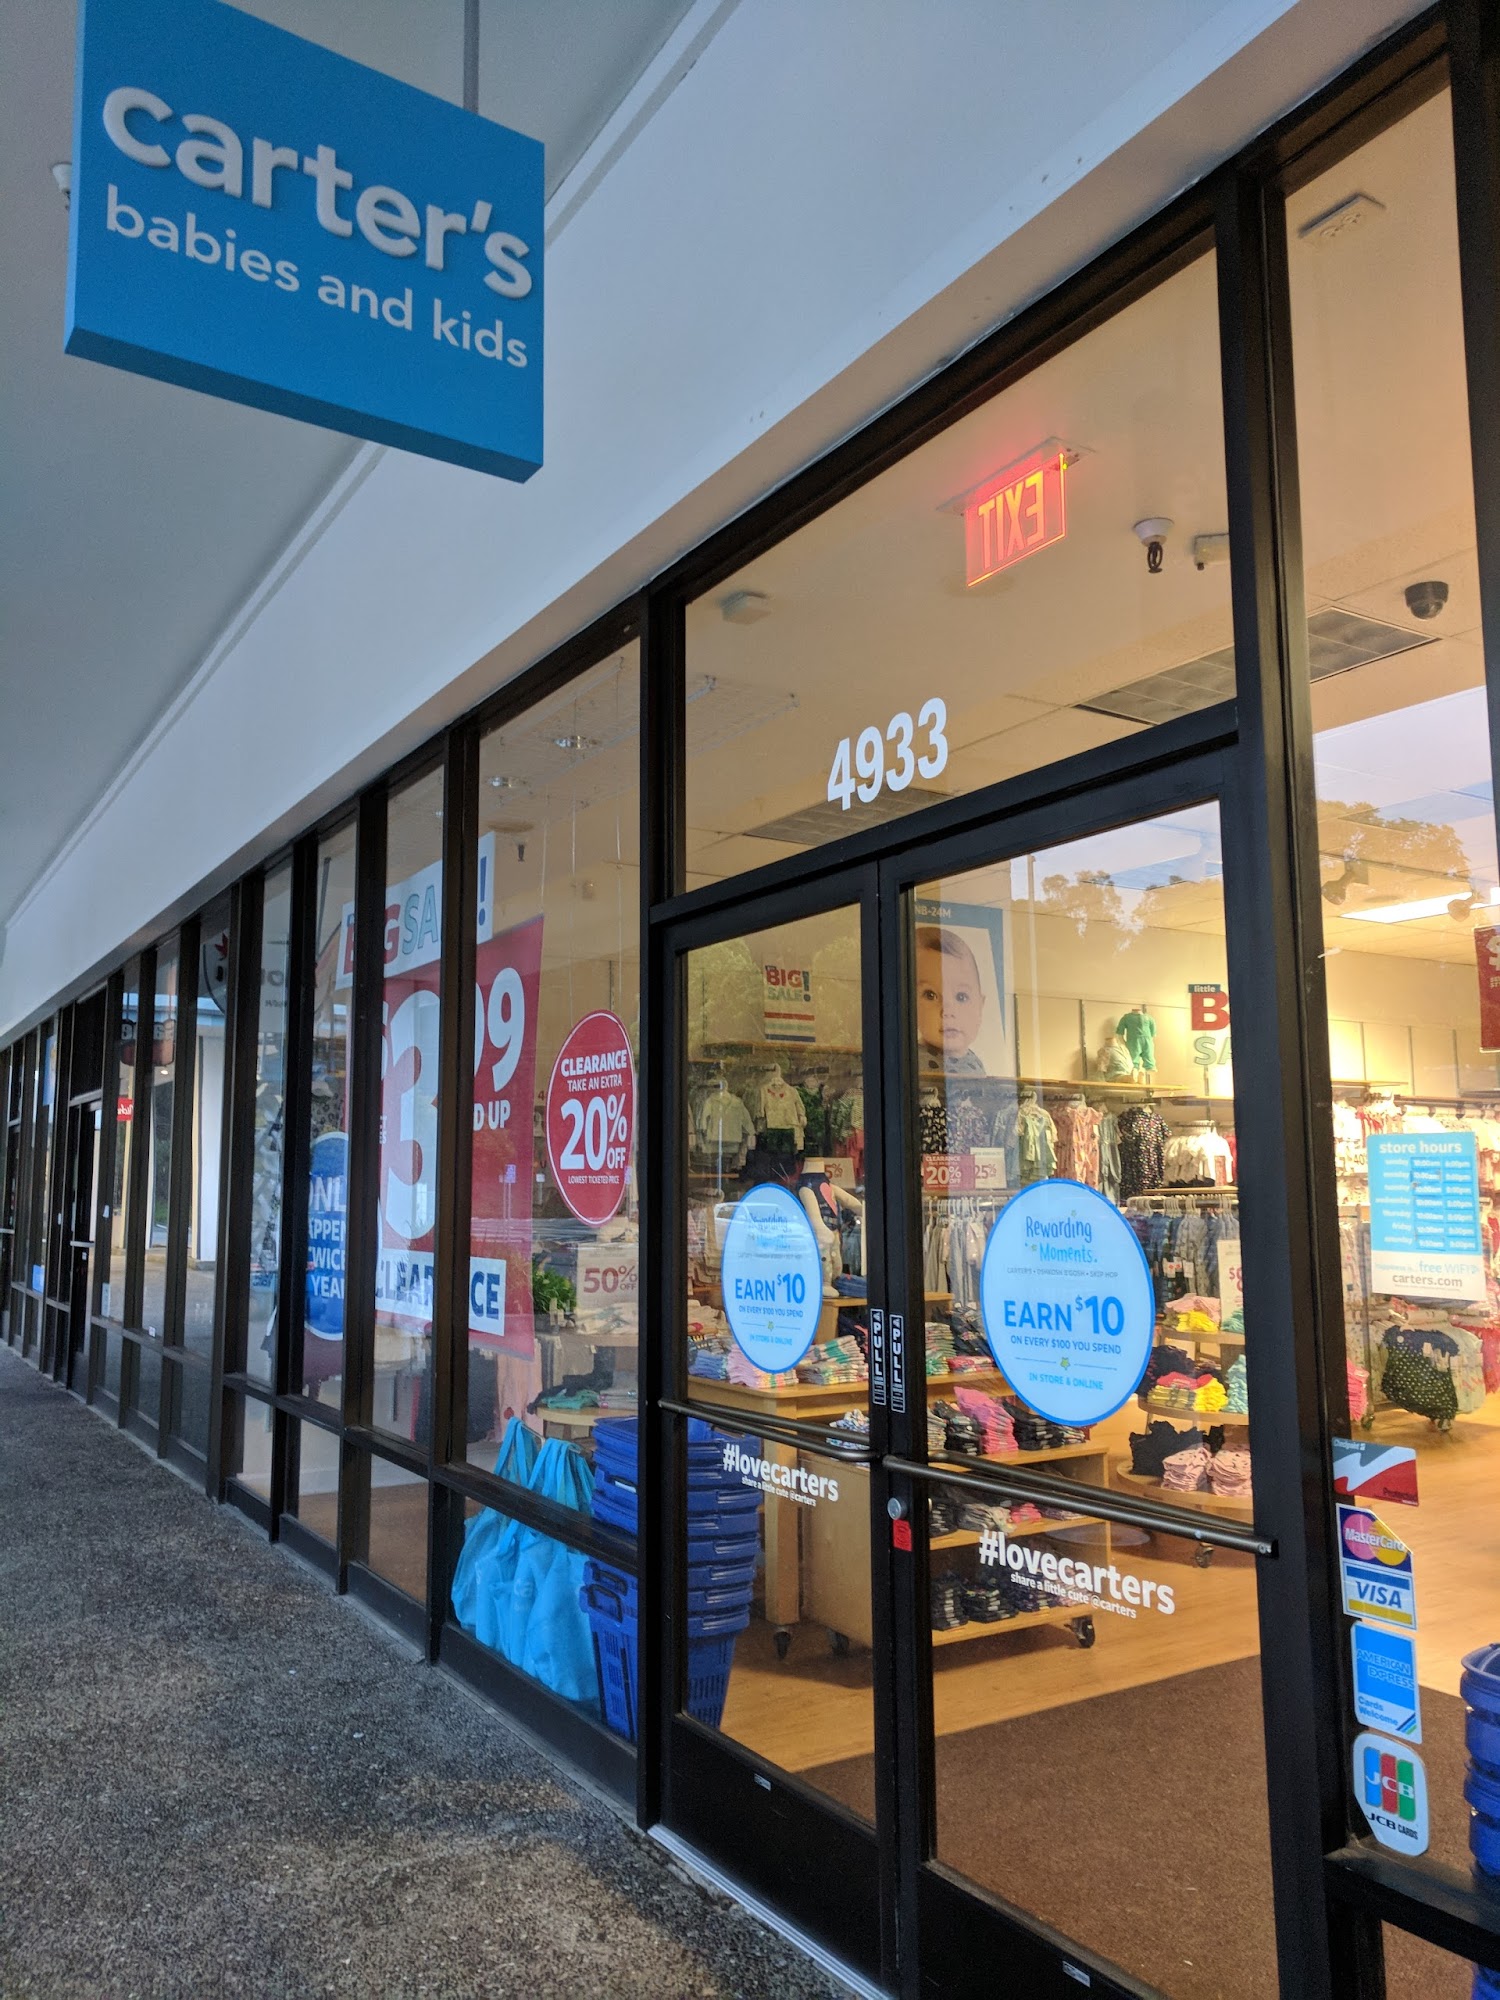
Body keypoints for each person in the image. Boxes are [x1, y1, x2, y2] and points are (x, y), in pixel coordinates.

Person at [915, 924, 988, 1074]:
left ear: (980, 1006)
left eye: (961, 997)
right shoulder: (914, 1062)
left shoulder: (975, 1062)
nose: (947, 1011)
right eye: (930, 995)